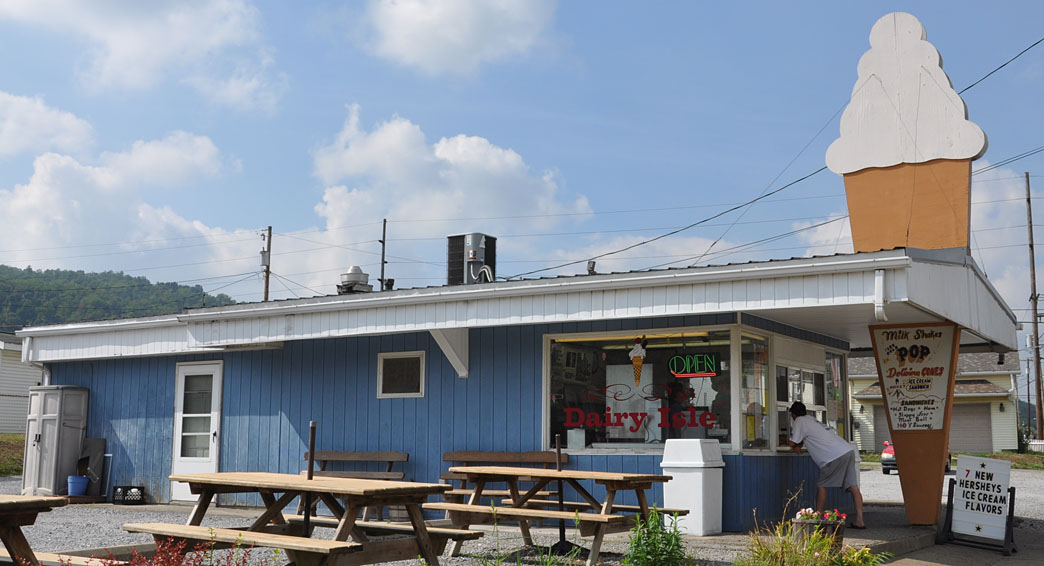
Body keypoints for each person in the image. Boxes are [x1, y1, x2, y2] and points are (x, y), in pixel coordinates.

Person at [787, 401, 865, 529]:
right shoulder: (811, 419)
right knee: (853, 487)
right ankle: (860, 520)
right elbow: (807, 437)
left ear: (793, 415)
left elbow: (792, 442)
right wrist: (799, 444)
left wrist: (795, 445)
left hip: (833, 456)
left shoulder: (799, 421)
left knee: (822, 485)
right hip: (847, 450)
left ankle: (818, 519)